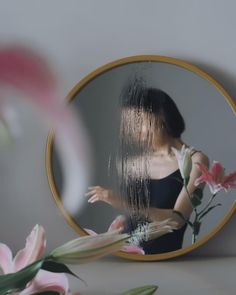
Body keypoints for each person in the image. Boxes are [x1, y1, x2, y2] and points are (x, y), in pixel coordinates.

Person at [85, 82, 209, 254]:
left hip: (164, 258)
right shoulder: (135, 163)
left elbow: (177, 220)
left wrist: (122, 202)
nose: (134, 132)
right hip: (127, 252)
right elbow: (137, 216)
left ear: (162, 116)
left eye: (138, 123)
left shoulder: (196, 160)